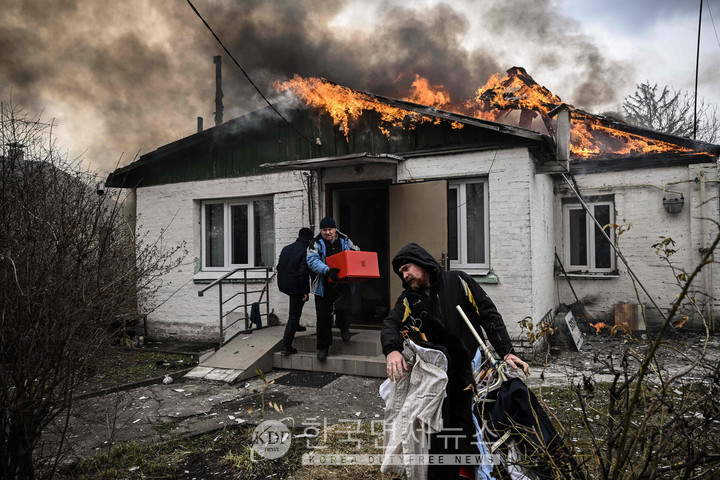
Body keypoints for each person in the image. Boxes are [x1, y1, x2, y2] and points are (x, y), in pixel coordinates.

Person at [381, 242, 529, 479]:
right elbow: (391, 323)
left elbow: (488, 313)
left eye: (407, 268)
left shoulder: (458, 281)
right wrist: (391, 350)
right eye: (401, 273)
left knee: (474, 420)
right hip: (440, 376)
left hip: (471, 364)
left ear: (421, 262)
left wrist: (506, 351)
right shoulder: (409, 300)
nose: (405, 275)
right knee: (443, 425)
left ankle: (478, 470)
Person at [306, 216, 359, 361]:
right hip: (323, 286)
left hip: (342, 284)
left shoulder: (345, 239)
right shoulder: (314, 243)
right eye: (324, 230)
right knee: (323, 317)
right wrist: (328, 270)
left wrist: (353, 257)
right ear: (321, 230)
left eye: (330, 229)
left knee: (343, 309)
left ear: (335, 229)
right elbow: (312, 261)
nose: (327, 232)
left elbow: (356, 251)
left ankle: (344, 327)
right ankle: (323, 347)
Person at [277, 227, 314, 355]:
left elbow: (279, 266)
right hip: (296, 285)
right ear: (310, 239)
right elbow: (303, 272)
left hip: (283, 283)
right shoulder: (305, 250)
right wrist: (305, 291)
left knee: (294, 306)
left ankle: (296, 325)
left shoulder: (286, 248)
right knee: (294, 314)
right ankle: (286, 345)